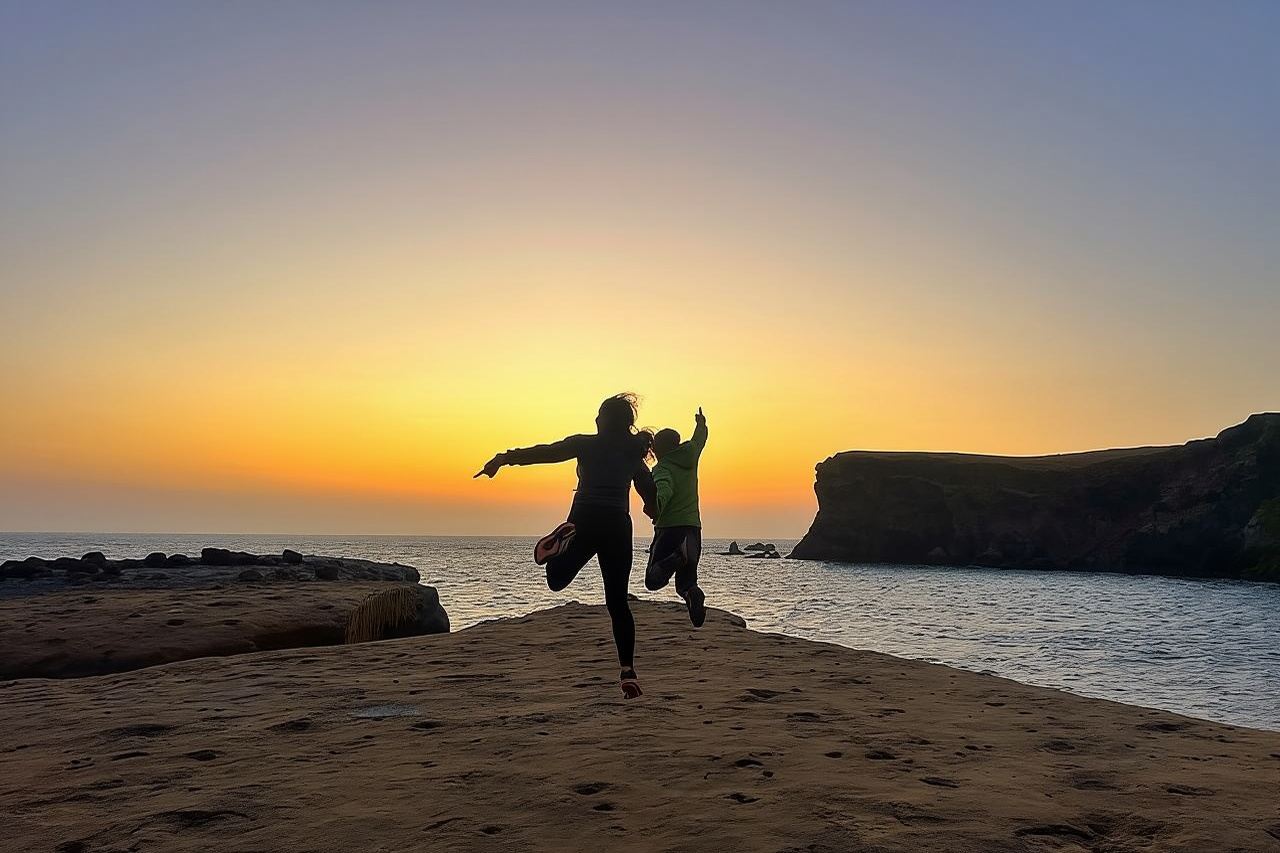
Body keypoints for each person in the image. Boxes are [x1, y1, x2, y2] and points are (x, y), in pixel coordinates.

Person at [474, 393, 656, 699]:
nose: (595, 419)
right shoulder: (632, 453)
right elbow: (647, 488)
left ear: (605, 419)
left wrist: (504, 458)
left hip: (583, 519)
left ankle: (561, 541)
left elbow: (546, 452)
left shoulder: (585, 443)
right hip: (617, 524)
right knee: (617, 602)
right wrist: (655, 511)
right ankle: (628, 671)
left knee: (556, 580)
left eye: (599, 415)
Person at [644, 407, 708, 627]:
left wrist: (656, 509)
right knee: (686, 583)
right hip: (693, 528)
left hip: (669, 528)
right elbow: (699, 440)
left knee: (652, 580)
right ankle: (693, 595)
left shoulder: (661, 468)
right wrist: (700, 424)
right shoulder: (690, 455)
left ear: (657, 450)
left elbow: (664, 490)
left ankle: (675, 558)